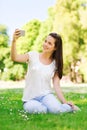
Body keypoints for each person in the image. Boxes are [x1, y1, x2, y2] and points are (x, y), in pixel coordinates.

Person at [11, 29, 80, 114]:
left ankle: (69, 107)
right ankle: (51, 107)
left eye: (49, 43)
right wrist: (14, 41)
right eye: (45, 41)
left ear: (55, 48)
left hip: (46, 96)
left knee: (56, 111)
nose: (45, 44)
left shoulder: (55, 64)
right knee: (42, 110)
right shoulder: (32, 55)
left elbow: (56, 85)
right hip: (30, 99)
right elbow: (15, 58)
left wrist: (64, 102)